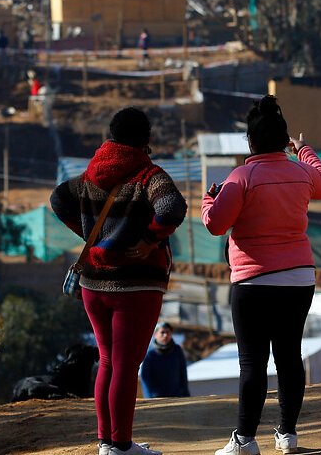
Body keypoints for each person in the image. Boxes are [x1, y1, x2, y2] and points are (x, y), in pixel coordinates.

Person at [201, 95, 321, 455]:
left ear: (251, 141)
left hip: (253, 282)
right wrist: (304, 150)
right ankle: (287, 435)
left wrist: (207, 202)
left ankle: (244, 440)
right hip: (299, 279)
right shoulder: (301, 172)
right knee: (290, 356)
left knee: (252, 362)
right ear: (283, 140)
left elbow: (216, 225)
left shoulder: (242, 176)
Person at [51, 107, 187, 455]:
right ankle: (121, 446)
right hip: (136, 287)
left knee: (109, 362)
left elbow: (58, 198)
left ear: (110, 137)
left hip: (94, 285)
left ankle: (106, 443)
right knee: (127, 367)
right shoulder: (147, 175)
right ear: (146, 140)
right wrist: (149, 240)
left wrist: (91, 239)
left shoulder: (90, 174)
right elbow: (172, 208)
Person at [140, 322, 189, 398]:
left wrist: (185, 394)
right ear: (155, 335)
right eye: (162, 332)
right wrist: (150, 397)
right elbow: (145, 379)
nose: (165, 335)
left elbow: (183, 374)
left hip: (177, 397)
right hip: (157, 398)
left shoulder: (177, 351)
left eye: (168, 332)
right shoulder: (150, 354)